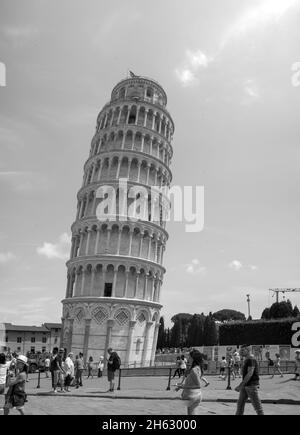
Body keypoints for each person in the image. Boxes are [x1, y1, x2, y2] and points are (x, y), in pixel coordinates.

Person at [235, 344, 264, 415]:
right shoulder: (247, 359)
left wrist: (241, 385)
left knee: (257, 407)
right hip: (246, 385)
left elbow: (250, 373)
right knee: (240, 404)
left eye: (242, 350)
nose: (240, 352)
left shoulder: (251, 359)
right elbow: (242, 372)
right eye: (240, 350)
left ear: (248, 350)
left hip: (251, 385)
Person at [175, 350, 202, 415]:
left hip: (192, 395)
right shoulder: (198, 368)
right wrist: (182, 386)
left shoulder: (194, 370)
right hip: (196, 395)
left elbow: (198, 385)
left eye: (189, 357)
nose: (188, 358)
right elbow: (192, 383)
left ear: (193, 358)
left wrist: (182, 386)